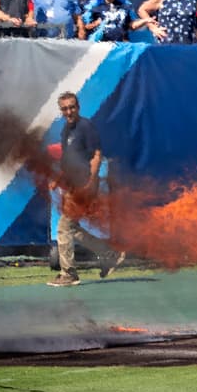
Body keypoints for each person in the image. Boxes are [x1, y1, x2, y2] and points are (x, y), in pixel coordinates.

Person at [49, 91, 124, 287]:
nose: (69, 111)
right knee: (71, 227)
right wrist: (58, 179)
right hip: (73, 186)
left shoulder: (86, 127)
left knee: (64, 227)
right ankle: (110, 254)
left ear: (78, 107)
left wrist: (91, 181)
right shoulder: (66, 131)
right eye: (65, 108)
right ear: (61, 111)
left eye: (72, 107)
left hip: (85, 185)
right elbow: (67, 161)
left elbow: (97, 155)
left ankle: (69, 274)